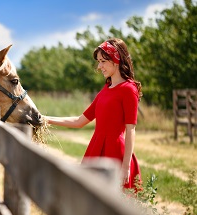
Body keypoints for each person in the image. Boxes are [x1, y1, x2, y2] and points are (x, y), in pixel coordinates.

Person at [44, 38, 142, 190]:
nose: (99, 66)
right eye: (98, 61)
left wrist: (125, 167)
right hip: (95, 149)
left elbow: (131, 130)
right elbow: (79, 121)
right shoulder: (106, 89)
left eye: (103, 61)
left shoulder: (129, 89)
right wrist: (45, 119)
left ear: (116, 60)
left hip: (116, 154)